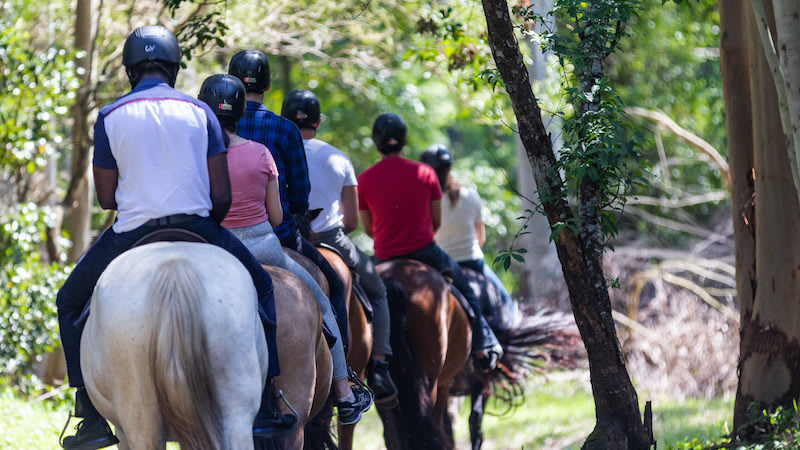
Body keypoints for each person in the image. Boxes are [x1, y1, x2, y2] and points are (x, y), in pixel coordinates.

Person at [55, 26, 291, 449]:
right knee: (261, 286)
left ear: (129, 71)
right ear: (175, 69)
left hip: (130, 233)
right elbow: (221, 196)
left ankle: (88, 414)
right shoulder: (201, 113)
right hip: (197, 225)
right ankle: (271, 400)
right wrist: (206, 219)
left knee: (69, 300)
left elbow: (107, 197)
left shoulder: (110, 116)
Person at [198, 75, 373, 424]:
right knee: (323, 301)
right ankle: (343, 389)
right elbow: (278, 213)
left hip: (218, 251)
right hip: (265, 248)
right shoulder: (261, 153)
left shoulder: (199, 156)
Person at [357, 113, 503, 371]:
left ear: (376, 143)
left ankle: (358, 362)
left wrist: (388, 239)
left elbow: (368, 229)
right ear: (404, 141)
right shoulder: (425, 173)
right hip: (425, 251)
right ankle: (483, 342)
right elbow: (435, 221)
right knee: (465, 287)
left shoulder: (365, 179)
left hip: (384, 255)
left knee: (356, 296)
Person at [280, 89, 398, 406]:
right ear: (318, 122)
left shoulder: (275, 151)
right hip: (331, 238)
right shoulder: (337, 157)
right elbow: (352, 223)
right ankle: (380, 367)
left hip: (284, 237)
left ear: (284, 118)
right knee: (377, 289)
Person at [228, 51, 350, 353]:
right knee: (334, 285)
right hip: (276, 237)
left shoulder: (210, 129)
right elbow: (299, 198)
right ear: (267, 86)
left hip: (218, 237)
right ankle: (344, 380)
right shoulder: (285, 129)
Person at [420, 145, 517, 325]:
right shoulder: (470, 195)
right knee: (506, 301)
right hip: (472, 261)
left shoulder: (423, 200)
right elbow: (481, 239)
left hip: (439, 265)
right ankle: (510, 324)